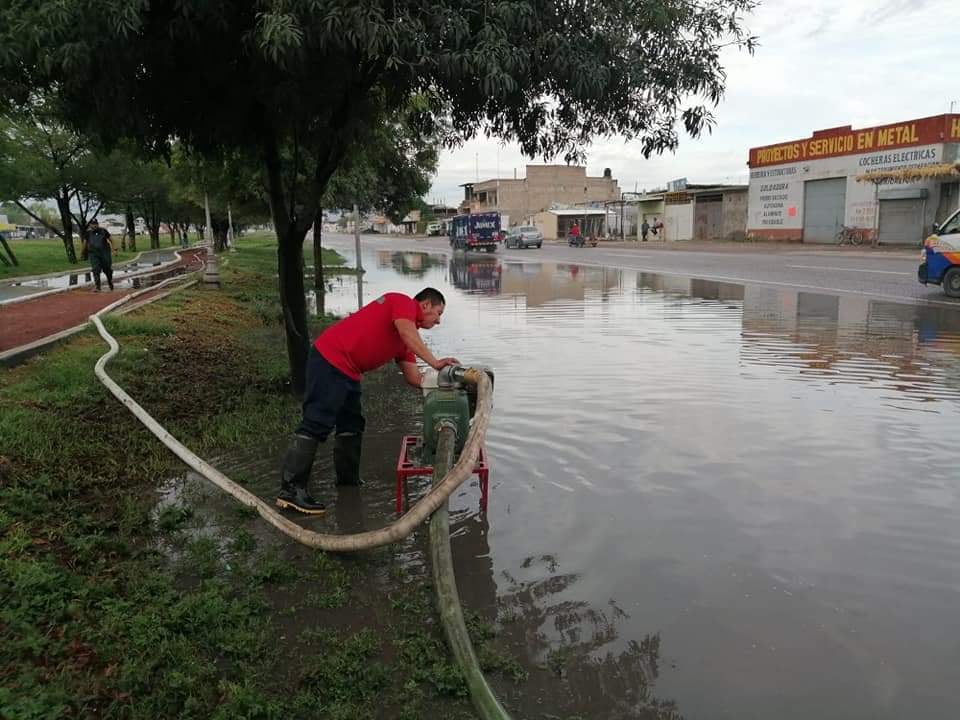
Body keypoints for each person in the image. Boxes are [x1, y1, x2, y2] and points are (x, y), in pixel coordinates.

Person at [276, 288, 459, 514]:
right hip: (330, 359)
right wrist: (435, 362)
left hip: (349, 370)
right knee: (317, 422)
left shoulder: (405, 341)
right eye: (438, 313)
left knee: (352, 425)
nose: (438, 321)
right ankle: (291, 490)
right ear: (425, 305)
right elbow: (409, 335)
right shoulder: (401, 302)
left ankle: (347, 482)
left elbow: (415, 378)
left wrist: (446, 386)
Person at [83, 219, 114, 291]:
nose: (94, 225)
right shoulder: (88, 233)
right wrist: (82, 252)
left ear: (98, 224)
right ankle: (98, 286)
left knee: (107, 269)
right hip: (93, 254)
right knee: (95, 269)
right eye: (92, 224)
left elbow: (111, 239)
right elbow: (84, 243)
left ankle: (110, 281)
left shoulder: (103, 231)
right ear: (90, 225)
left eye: (95, 224)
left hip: (105, 253)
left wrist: (114, 249)